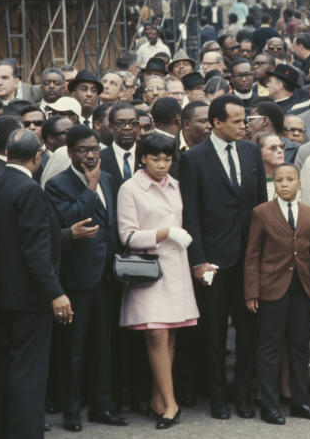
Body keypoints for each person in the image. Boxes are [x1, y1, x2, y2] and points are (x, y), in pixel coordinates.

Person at [0, 129, 75, 438]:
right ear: (37, 157)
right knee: (28, 374)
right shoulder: (29, 190)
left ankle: (5, 429)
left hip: (2, 296)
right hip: (30, 298)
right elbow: (35, 249)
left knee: (5, 366)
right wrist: (55, 292)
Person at [179, 95, 266, 420]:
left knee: (248, 331)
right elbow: (191, 215)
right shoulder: (194, 158)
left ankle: (244, 395)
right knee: (213, 334)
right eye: (237, 120)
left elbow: (260, 207)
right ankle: (217, 397)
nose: (244, 125)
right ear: (217, 123)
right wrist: (198, 260)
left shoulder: (250, 151)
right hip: (213, 261)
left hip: (248, 259)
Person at [43, 125, 126, 431]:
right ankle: (72, 411)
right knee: (73, 349)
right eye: (83, 150)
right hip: (76, 278)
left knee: (103, 345)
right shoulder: (57, 184)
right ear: (70, 153)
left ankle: (102, 406)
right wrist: (89, 189)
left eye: (94, 150)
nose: (91, 156)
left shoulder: (108, 178)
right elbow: (66, 221)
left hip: (107, 275)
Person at [116, 132, 199, 429]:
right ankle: (171, 403)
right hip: (148, 269)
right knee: (155, 334)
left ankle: (157, 399)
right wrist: (163, 233)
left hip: (175, 267)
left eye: (166, 159)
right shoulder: (130, 188)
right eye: (155, 158)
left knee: (171, 335)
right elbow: (126, 235)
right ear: (143, 158)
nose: (162, 164)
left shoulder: (177, 185)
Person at [243, 163, 310, 425]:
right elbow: (253, 255)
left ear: (299, 183)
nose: (284, 184)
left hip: (301, 288)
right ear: (274, 185)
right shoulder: (262, 213)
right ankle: (269, 405)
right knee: (270, 346)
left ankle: (300, 401)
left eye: (290, 179)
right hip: (272, 288)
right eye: (279, 180)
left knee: (300, 346)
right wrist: (251, 291)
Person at [259, 133, 285, 199]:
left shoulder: (290, 180)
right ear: (259, 153)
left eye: (282, 146)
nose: (280, 151)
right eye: (273, 148)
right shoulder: (252, 183)